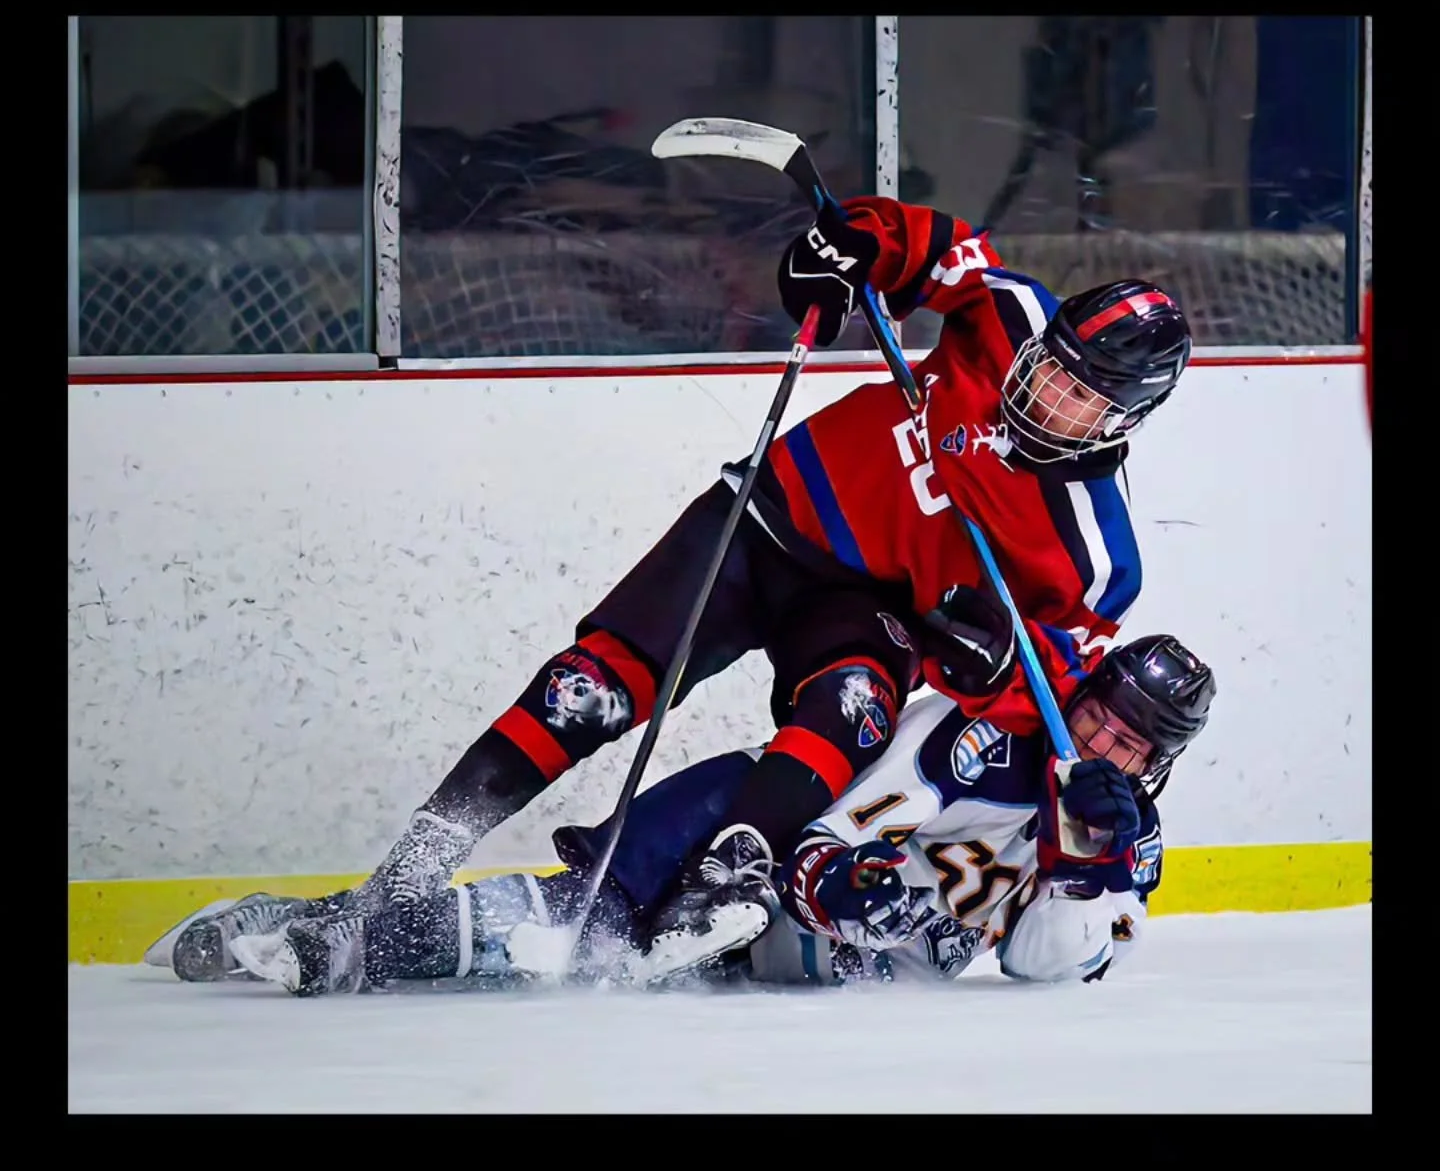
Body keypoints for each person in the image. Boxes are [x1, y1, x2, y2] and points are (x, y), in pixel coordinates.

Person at [164, 191, 1193, 986]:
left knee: (853, 711)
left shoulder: (1098, 555)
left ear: (1124, 420)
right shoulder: (1010, 319)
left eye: (1078, 394)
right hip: (767, 518)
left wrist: (990, 661)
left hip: (865, 603)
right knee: (592, 690)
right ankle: (402, 878)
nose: (1045, 390)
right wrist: (855, 248)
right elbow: (936, 246)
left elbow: (1045, 685)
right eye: (1051, 367)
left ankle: (728, 875)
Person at [197, 632, 1214, 998]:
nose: (1108, 745)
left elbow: (1055, 963)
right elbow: (847, 817)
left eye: (1135, 742)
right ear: (1077, 696)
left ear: (1158, 762)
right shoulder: (978, 736)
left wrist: (1094, 861)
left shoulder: (1133, 848)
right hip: (799, 911)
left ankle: (589, 906)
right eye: (1100, 717)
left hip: (860, 963)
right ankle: (346, 927)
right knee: (748, 786)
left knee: (714, 812)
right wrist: (827, 875)